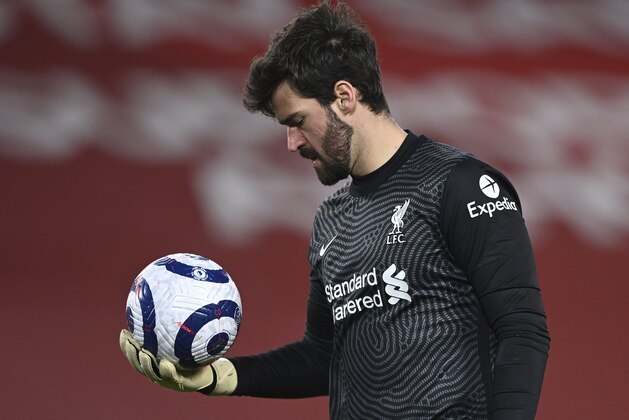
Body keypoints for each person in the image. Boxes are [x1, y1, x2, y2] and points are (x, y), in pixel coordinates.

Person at [120, 1, 550, 418]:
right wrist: (220, 377)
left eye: (297, 122)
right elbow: (325, 354)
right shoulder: (331, 221)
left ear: (344, 97)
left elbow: (522, 330)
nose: (293, 143)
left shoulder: (460, 185)